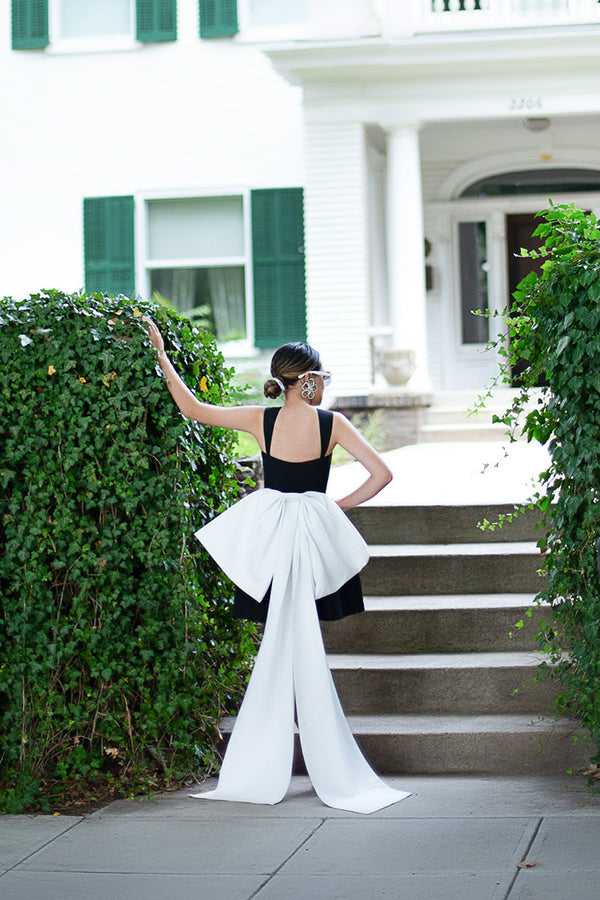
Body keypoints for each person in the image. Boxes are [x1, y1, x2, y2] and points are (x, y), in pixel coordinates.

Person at [146, 320, 410, 813]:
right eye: (321, 377)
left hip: (273, 542)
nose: (324, 384)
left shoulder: (261, 419)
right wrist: (334, 507)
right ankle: (324, 762)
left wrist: (162, 355)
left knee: (278, 645)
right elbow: (382, 474)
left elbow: (192, 409)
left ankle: (259, 763)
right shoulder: (332, 424)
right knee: (301, 642)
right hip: (307, 539)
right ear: (308, 381)